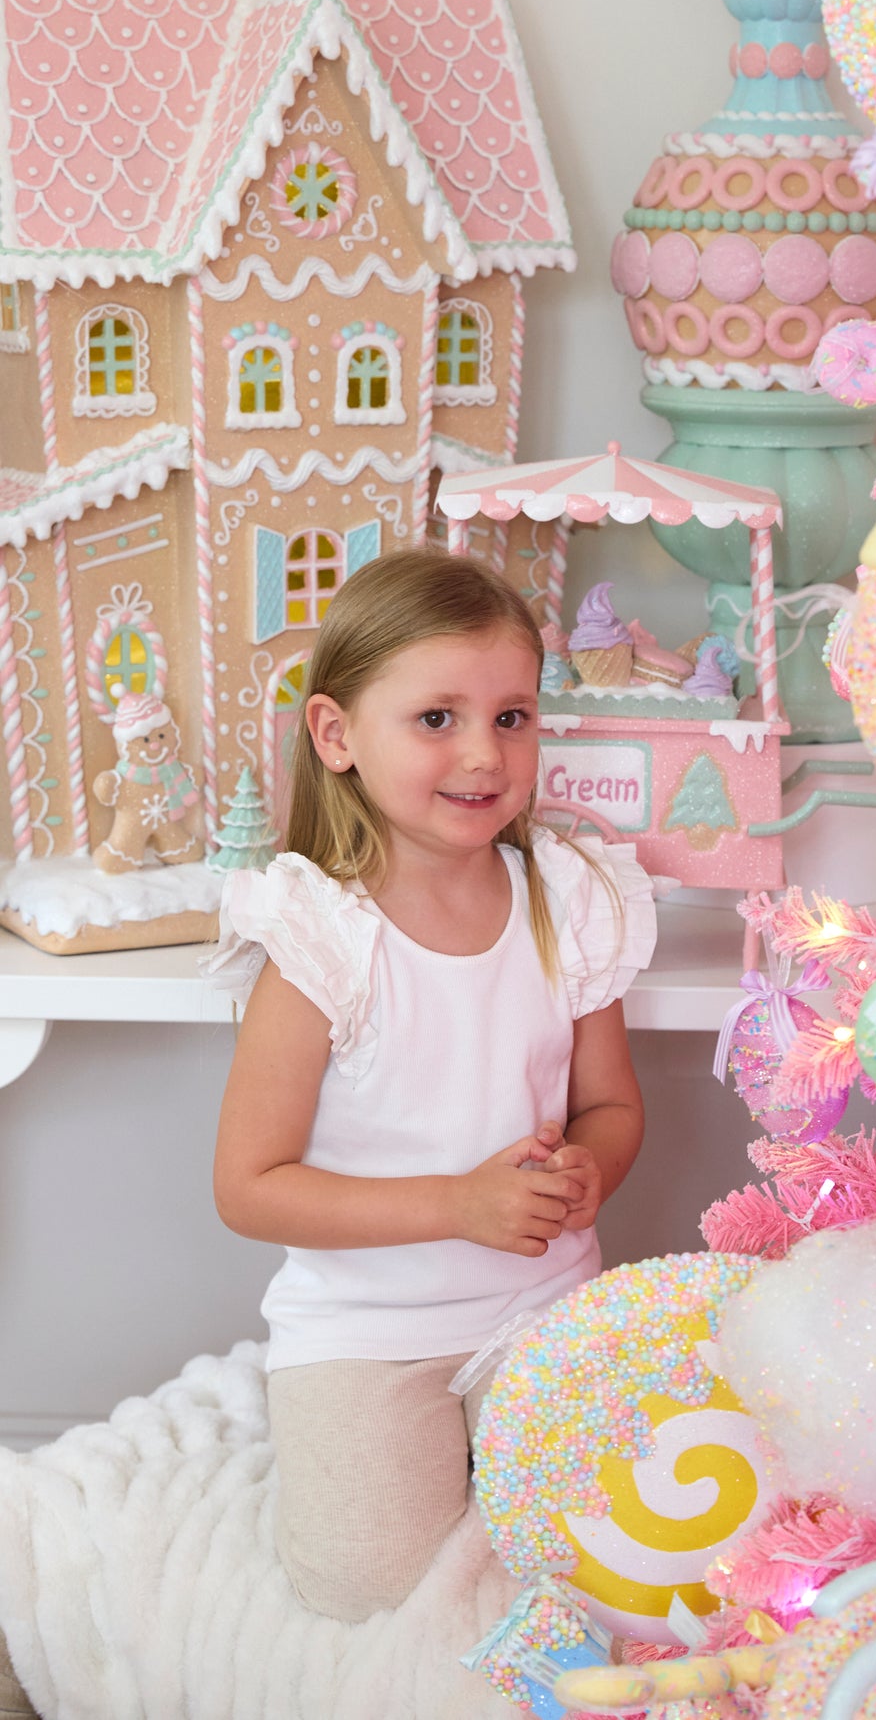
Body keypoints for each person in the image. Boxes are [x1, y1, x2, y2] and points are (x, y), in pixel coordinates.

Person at [210, 550, 653, 1621]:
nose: (483, 753)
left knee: (610, 1565)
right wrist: (457, 1203)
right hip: (366, 1332)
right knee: (364, 1593)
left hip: (540, 1308)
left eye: (512, 717)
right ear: (337, 735)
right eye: (436, 718)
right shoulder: (321, 939)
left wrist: (589, 1168)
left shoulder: (566, 898)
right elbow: (248, 1186)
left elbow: (611, 1106)